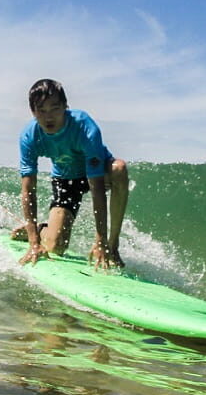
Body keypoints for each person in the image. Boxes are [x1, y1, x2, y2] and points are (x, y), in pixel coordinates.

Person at [13, 79, 129, 269]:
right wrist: (34, 243)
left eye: (55, 108)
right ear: (33, 112)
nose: (48, 117)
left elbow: (97, 188)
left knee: (119, 169)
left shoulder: (83, 126)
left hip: (98, 173)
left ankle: (113, 245)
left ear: (66, 106)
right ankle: (41, 231)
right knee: (54, 247)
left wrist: (102, 240)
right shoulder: (30, 136)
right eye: (41, 110)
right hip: (66, 179)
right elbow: (28, 190)